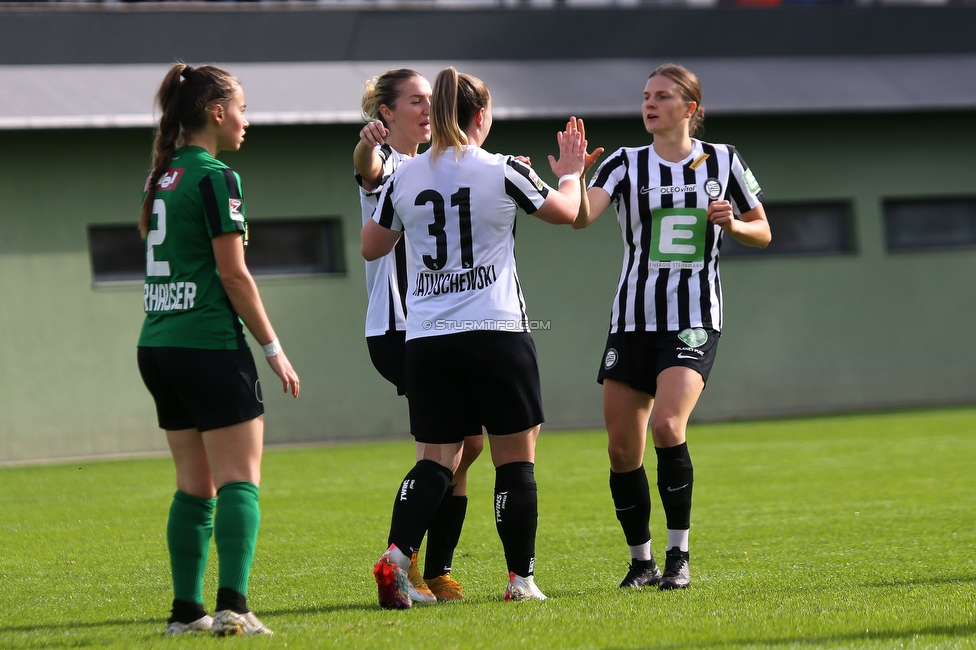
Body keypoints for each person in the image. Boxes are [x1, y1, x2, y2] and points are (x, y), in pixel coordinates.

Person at [361, 66, 586, 609]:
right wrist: (572, 172)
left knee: (437, 457)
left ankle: (396, 559)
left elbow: (372, 247)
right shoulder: (504, 169)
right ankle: (519, 580)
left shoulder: (404, 176)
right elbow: (568, 212)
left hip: (428, 339)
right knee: (514, 457)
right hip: (495, 330)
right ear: (480, 117)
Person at [573, 63, 770, 591]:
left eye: (662, 96)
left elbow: (763, 231)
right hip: (632, 321)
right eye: (645, 96)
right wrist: (573, 174)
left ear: (690, 108)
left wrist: (733, 223)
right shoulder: (623, 163)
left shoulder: (724, 160)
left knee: (667, 426)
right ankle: (641, 562)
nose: (650, 104)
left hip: (693, 319)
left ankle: (678, 556)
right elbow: (580, 216)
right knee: (621, 450)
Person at [136, 63, 300, 636]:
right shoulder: (215, 177)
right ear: (216, 112)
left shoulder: (162, 177)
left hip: (158, 345)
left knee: (194, 485)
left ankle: (186, 613)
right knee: (238, 480)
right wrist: (274, 347)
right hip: (208, 344)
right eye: (243, 108)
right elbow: (235, 276)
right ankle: (233, 605)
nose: (246, 120)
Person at [354, 68, 484, 603]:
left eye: (433, 100)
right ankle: (402, 564)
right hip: (402, 329)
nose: (428, 109)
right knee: (442, 448)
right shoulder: (389, 165)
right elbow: (366, 170)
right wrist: (365, 150)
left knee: (468, 444)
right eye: (415, 101)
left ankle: (432, 570)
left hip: (439, 327)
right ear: (384, 114)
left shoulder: (441, 164)